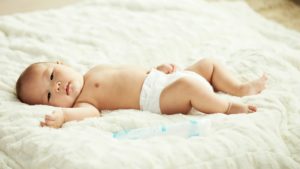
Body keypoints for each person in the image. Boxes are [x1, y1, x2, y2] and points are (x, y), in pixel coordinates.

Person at [16, 58, 267, 128]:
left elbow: (130, 72)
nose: (56, 87)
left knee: (207, 65)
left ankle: (239, 88)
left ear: (61, 64)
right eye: (49, 95)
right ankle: (227, 106)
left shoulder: (94, 69)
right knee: (191, 88)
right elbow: (89, 114)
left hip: (164, 79)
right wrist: (63, 116)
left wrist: (157, 70)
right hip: (159, 98)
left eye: (52, 77)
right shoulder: (86, 100)